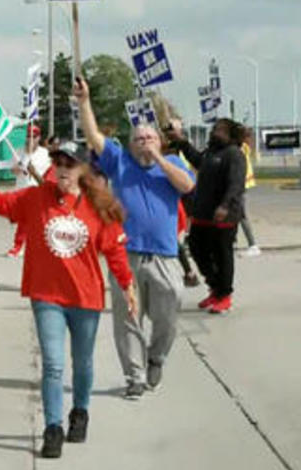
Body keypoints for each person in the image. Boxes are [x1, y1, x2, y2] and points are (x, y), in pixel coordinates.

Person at [0, 145, 137, 459]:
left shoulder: (97, 204)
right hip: (47, 296)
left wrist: (127, 286)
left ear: (83, 169)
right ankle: (53, 428)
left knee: (82, 364)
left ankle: (80, 413)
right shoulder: (35, 198)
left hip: (85, 298)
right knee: (54, 365)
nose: (62, 169)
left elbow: (114, 250)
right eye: (58, 163)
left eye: (69, 164)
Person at [76, 77, 195, 399]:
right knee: (128, 318)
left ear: (158, 140)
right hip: (127, 255)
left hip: (164, 256)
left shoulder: (170, 163)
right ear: (129, 144)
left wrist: (157, 158)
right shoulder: (120, 162)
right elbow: (94, 136)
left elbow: (187, 187)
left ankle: (156, 357)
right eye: (138, 138)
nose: (143, 141)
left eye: (149, 137)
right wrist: (84, 102)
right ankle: (135, 377)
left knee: (168, 314)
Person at [166, 118, 246, 314]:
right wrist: (181, 141)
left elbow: (236, 185)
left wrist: (225, 206)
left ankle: (224, 295)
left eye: (221, 130)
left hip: (224, 215)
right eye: (215, 129)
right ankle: (215, 288)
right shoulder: (211, 152)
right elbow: (197, 160)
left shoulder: (234, 154)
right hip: (203, 212)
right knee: (196, 248)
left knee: (222, 255)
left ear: (231, 135)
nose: (216, 133)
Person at [8, 126, 53, 258]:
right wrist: (21, 165)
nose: (30, 140)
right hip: (22, 191)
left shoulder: (45, 154)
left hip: (38, 190)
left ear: (38, 138)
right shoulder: (18, 152)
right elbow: (12, 170)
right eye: (28, 137)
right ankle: (18, 246)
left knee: (41, 221)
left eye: (33, 137)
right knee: (24, 221)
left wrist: (34, 172)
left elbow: (49, 172)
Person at [239, 137, 260, 257]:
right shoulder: (243, 148)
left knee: (241, 215)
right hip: (243, 185)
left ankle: (253, 245)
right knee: (237, 215)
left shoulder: (240, 149)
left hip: (240, 185)